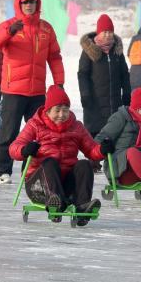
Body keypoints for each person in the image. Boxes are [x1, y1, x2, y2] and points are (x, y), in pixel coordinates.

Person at [9, 86, 115, 226]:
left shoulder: (76, 127)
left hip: (66, 186)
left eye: (65, 110)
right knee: (49, 162)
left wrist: (102, 149)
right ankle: (55, 201)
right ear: (47, 111)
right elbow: (13, 148)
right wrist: (24, 150)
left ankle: (82, 206)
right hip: (39, 186)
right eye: (57, 110)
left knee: (84, 164)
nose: (61, 114)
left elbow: (92, 150)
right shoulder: (35, 125)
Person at [0, 0, 65, 184]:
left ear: (37, 4)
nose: (29, 5)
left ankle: (41, 169)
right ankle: (2, 171)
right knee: (9, 133)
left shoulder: (46, 28)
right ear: (19, 4)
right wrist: (9, 33)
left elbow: (54, 57)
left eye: (32, 2)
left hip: (37, 92)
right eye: (25, 2)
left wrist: (59, 83)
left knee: (43, 133)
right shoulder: (8, 26)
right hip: (13, 91)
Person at [78, 14, 131, 172]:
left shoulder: (117, 52)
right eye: (104, 32)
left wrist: (127, 93)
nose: (108, 34)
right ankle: (94, 160)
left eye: (110, 31)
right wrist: (85, 95)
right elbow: (82, 74)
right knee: (95, 130)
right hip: (94, 99)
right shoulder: (89, 51)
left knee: (114, 128)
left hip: (114, 99)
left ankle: (112, 161)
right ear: (98, 33)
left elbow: (124, 74)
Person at [95, 88, 141, 187]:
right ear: (136, 109)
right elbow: (101, 137)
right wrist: (100, 150)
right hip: (122, 171)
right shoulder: (121, 117)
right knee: (133, 152)